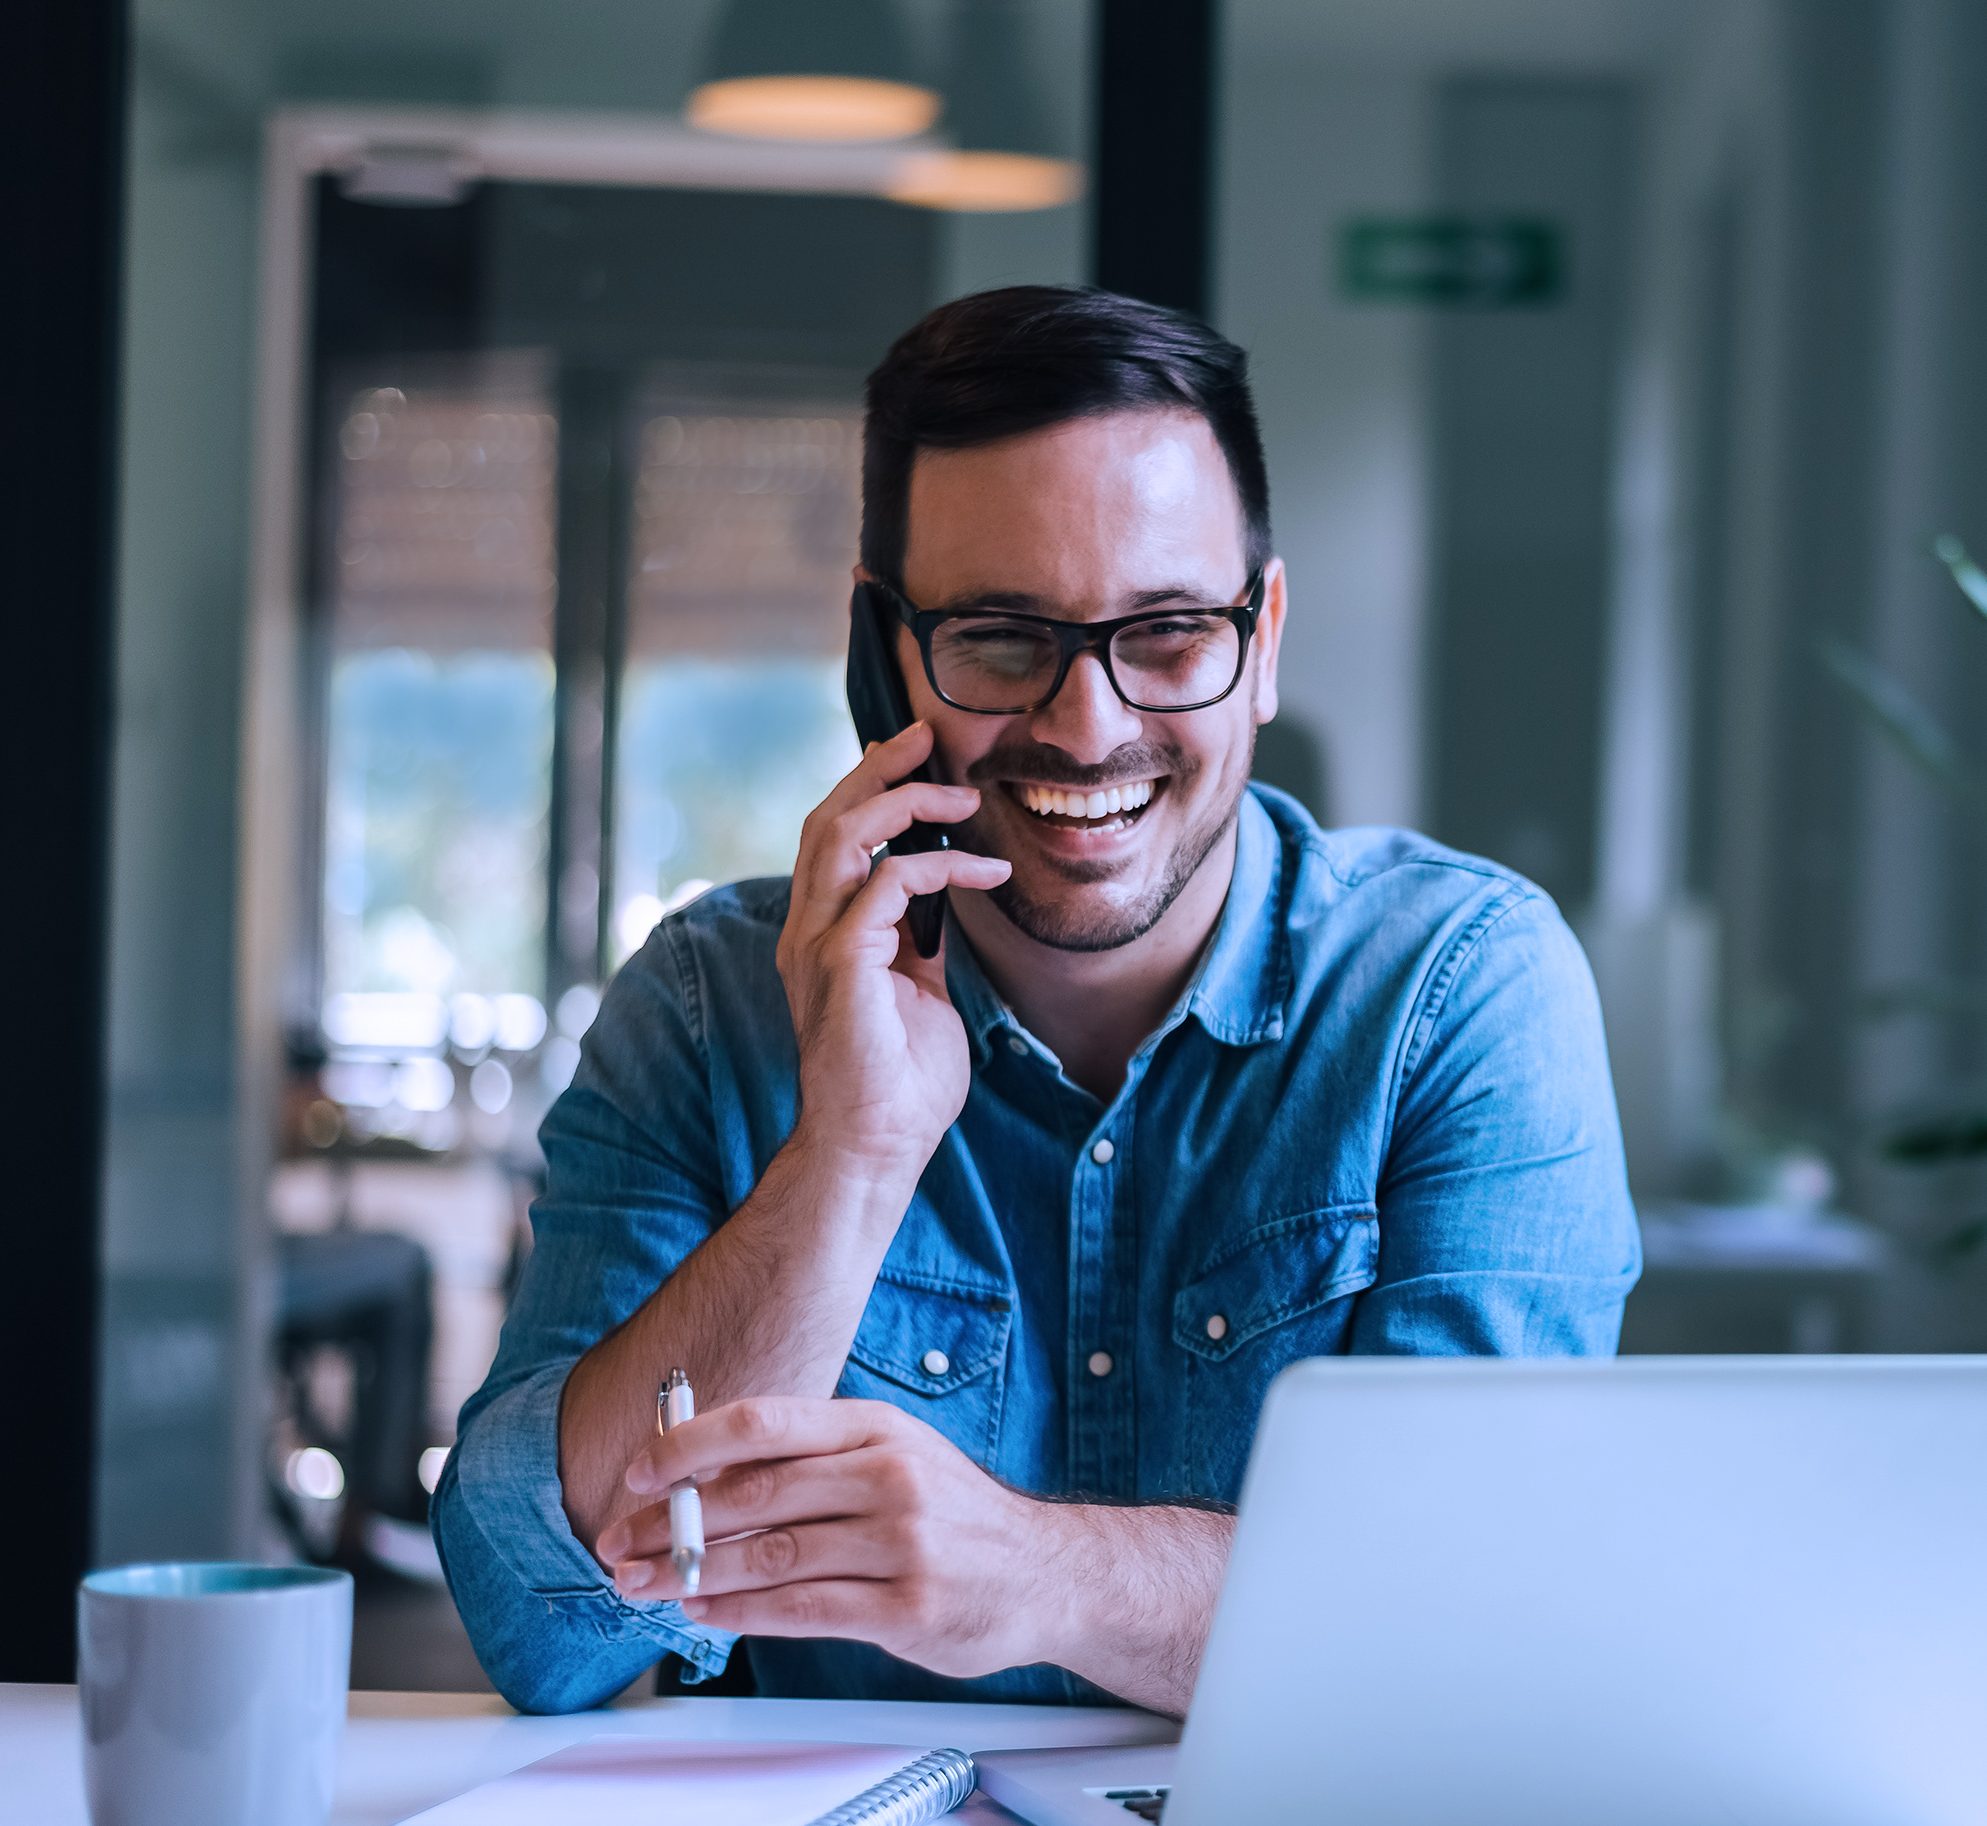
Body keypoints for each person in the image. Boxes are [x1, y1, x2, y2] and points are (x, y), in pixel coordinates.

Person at [436, 287, 1639, 1715]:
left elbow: (1476, 1618)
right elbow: (540, 1628)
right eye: (1004, 640)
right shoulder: (709, 1006)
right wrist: (851, 1160)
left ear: (1263, 640)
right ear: (888, 658)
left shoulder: (1460, 991)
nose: (1089, 725)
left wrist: (1032, 1575)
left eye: (1170, 634)